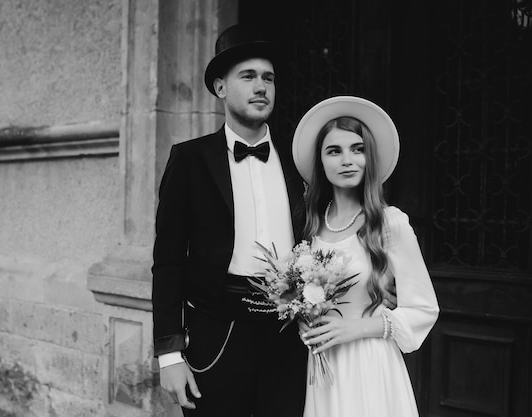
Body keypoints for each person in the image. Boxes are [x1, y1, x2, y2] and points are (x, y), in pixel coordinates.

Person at [151, 24, 309, 417]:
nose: (262, 87)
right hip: (216, 333)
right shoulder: (189, 160)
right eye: (248, 76)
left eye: (268, 78)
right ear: (221, 87)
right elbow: (168, 260)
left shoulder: (301, 161)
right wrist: (169, 354)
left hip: (288, 335)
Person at [291, 96, 440, 417]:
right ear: (320, 162)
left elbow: (423, 308)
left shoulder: (390, 223)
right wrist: (303, 321)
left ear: (368, 157)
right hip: (324, 369)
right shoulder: (310, 227)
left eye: (357, 149)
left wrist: (356, 329)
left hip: (370, 364)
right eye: (334, 151)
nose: (347, 160)